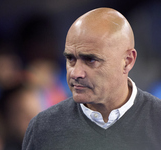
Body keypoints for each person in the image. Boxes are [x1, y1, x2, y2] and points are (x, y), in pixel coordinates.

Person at [22, 7, 161, 150]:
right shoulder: (43, 128)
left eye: (91, 60)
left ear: (127, 61)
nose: (75, 73)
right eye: (70, 59)